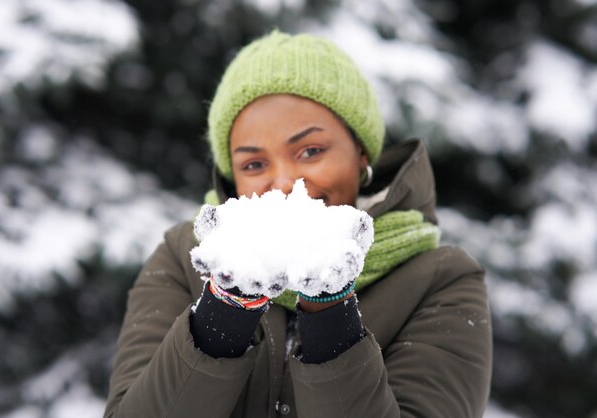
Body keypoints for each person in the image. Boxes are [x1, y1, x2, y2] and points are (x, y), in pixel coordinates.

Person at [104, 30, 492, 418]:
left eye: (310, 151)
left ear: (360, 154)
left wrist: (331, 312)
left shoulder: (441, 279)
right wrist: (225, 309)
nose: (286, 182)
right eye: (254, 164)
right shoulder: (181, 258)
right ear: (231, 178)